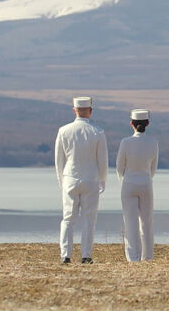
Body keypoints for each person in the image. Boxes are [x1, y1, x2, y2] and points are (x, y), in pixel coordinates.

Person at [54, 96, 108, 264]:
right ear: (90, 111)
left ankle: (65, 255)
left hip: (70, 177)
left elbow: (59, 160)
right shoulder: (98, 132)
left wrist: (61, 180)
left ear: (74, 110)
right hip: (91, 178)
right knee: (88, 219)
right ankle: (86, 255)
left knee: (68, 218)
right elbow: (103, 161)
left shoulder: (64, 130)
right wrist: (102, 179)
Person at [116, 108, 160, 262]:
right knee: (147, 222)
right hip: (146, 184)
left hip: (128, 184)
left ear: (131, 124)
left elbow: (119, 167)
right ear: (147, 123)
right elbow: (153, 168)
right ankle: (147, 256)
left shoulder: (126, 142)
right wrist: (146, 178)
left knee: (130, 222)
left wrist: (125, 180)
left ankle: (133, 257)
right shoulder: (153, 142)